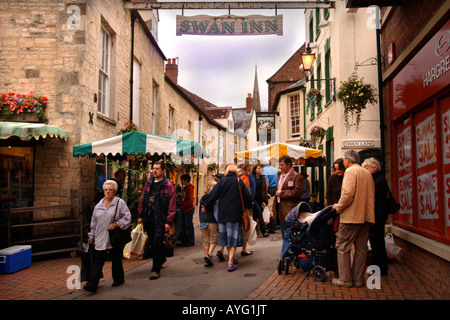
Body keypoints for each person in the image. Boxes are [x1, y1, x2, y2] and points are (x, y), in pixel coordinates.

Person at [332, 150, 375, 288]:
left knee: (342, 247)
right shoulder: (367, 173)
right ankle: (358, 279)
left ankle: (345, 279)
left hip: (351, 217)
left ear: (348, 160)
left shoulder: (350, 172)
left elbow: (347, 194)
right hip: (365, 216)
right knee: (361, 249)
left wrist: (338, 207)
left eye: (344, 160)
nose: (343, 162)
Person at [83, 180, 131, 293]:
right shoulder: (98, 205)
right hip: (100, 237)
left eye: (110, 190)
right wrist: (91, 235)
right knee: (98, 261)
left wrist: (117, 224)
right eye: (106, 190)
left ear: (114, 191)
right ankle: (93, 284)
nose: (108, 192)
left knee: (116, 260)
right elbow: (94, 222)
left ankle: (119, 279)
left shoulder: (120, 203)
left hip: (113, 237)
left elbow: (127, 217)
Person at [206, 165, 253, 272]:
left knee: (227, 238)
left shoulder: (221, 182)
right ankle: (230, 262)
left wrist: (207, 206)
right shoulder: (239, 181)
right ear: (236, 172)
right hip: (235, 214)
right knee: (233, 238)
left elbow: (212, 196)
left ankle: (231, 258)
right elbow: (247, 198)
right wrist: (250, 207)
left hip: (223, 214)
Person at [137, 161, 177, 280]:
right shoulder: (149, 183)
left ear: (163, 170)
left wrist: (169, 221)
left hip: (160, 219)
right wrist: (140, 215)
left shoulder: (168, 185)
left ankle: (155, 269)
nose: (154, 171)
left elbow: (172, 204)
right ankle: (161, 258)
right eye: (153, 168)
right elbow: (143, 199)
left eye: (157, 169)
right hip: (148, 218)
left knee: (157, 242)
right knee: (152, 242)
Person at [362, 157, 389, 275]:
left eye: (366, 168)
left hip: (378, 214)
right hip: (377, 214)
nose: (365, 171)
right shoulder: (375, 179)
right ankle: (378, 267)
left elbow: (370, 197)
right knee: (375, 241)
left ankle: (380, 268)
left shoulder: (378, 180)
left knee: (377, 241)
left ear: (373, 168)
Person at [273, 155, 303, 260]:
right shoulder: (281, 176)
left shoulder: (296, 176)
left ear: (289, 164)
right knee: (285, 235)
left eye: (282, 165)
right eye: (279, 165)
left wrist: (282, 193)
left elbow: (298, 192)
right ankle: (290, 254)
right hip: (280, 209)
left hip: (290, 210)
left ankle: (284, 257)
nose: (280, 167)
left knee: (288, 235)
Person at [199, 181, 219, 267]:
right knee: (213, 239)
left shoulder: (202, 198)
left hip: (203, 221)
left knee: (205, 240)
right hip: (211, 220)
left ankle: (206, 257)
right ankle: (209, 254)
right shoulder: (214, 199)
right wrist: (218, 222)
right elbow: (216, 211)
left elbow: (200, 212)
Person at [262, 157, 278, 233]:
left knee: (268, 208)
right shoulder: (274, 169)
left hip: (269, 190)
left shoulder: (264, 170)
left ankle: (271, 227)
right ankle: (274, 226)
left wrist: (266, 191)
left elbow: (267, 181)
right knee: (272, 208)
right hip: (274, 189)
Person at [252, 164, 269, 237]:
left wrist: (265, 200)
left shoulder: (263, 178)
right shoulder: (252, 177)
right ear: (255, 170)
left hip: (260, 198)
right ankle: (264, 231)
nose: (259, 170)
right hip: (253, 198)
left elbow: (264, 190)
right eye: (258, 168)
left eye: (260, 168)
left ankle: (253, 232)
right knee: (260, 214)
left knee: (255, 215)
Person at [178, 174, 195, 247]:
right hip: (185, 209)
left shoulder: (189, 188)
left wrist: (183, 206)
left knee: (188, 225)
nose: (181, 181)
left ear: (186, 180)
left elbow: (190, 200)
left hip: (188, 209)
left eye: (182, 180)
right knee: (184, 225)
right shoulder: (185, 188)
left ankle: (190, 241)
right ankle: (184, 240)